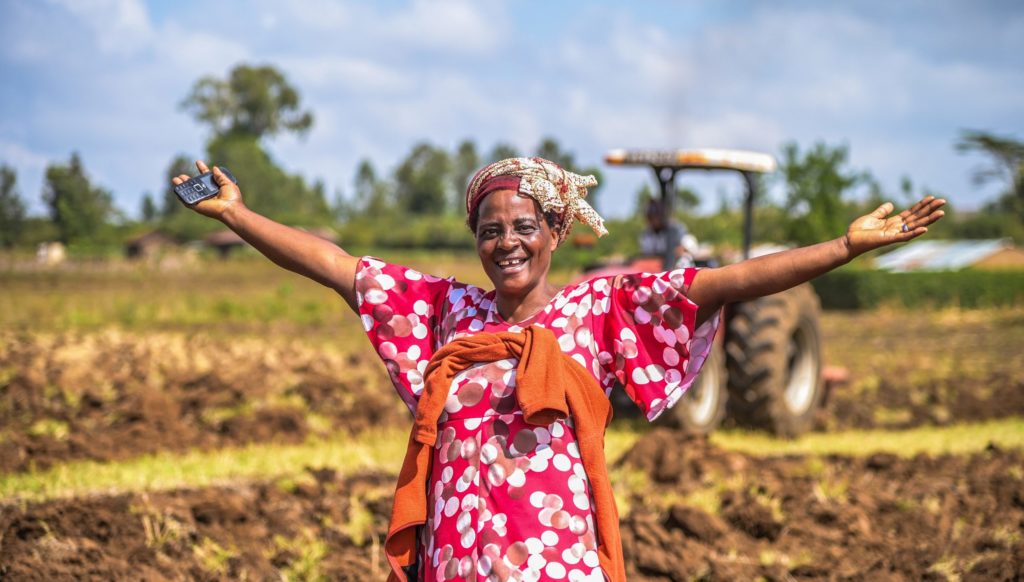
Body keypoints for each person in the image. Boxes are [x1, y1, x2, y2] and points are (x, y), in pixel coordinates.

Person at [173, 158, 944, 582]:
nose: (505, 242)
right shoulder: (447, 312)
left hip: (553, 556)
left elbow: (722, 285)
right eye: (489, 230)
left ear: (555, 232)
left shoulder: (601, 309)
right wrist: (238, 214)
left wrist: (842, 250)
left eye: (523, 227)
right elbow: (338, 268)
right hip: (459, 555)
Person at [638, 198, 689, 270]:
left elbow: (684, 249)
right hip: (656, 270)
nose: (653, 221)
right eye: (650, 217)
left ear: (661, 216)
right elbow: (647, 255)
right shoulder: (646, 234)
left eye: (655, 217)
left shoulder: (675, 230)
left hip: (675, 268)